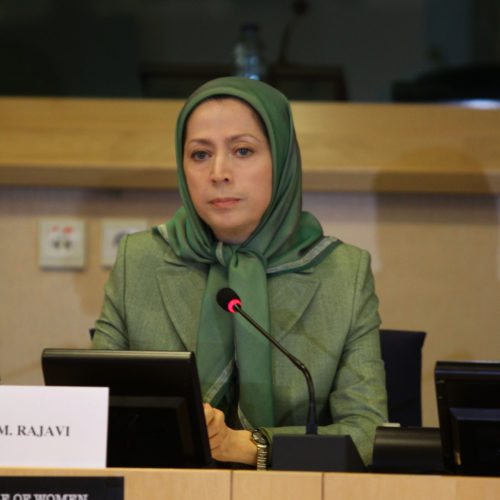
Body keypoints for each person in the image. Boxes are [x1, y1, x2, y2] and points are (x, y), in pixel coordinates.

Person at [92, 76, 388, 468]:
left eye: (242, 151)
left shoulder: (343, 273)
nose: (219, 172)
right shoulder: (140, 260)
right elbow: (91, 412)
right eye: (200, 154)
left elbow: (367, 434)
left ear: (282, 161)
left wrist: (247, 445)